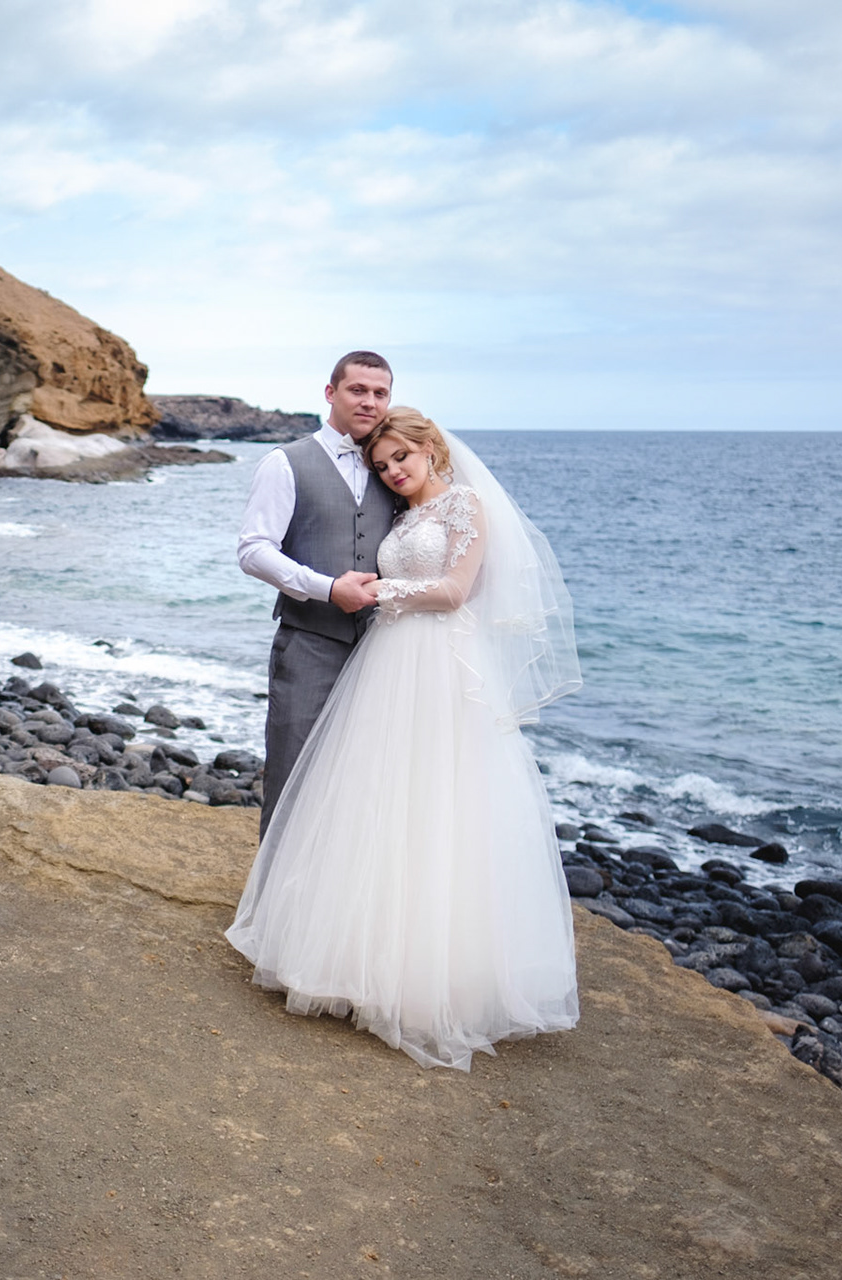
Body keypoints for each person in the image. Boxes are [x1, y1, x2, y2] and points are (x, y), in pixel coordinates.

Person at [225, 407, 583, 1071]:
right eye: (383, 463)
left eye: (402, 458)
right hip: (387, 659)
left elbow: (454, 592)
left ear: (431, 449)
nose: (392, 471)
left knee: (438, 799)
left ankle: (430, 972)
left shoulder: (465, 505)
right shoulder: (403, 514)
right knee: (373, 795)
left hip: (438, 663)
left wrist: (377, 590)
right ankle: (354, 950)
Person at [237, 351, 401, 835]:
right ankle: (273, 886)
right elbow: (253, 550)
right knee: (292, 777)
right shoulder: (285, 463)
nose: (369, 401)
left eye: (380, 393)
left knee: (365, 782)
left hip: (381, 653)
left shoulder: (392, 467)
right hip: (308, 646)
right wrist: (327, 589)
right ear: (331, 393)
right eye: (358, 390)